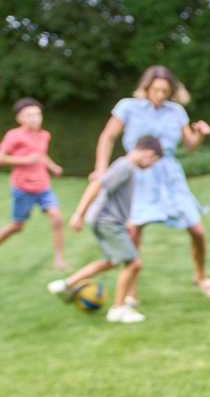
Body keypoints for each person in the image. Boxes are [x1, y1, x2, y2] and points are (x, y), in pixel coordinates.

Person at [93, 65, 210, 300]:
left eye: (165, 91)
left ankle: (201, 277)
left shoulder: (177, 111)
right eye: (156, 90)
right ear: (146, 88)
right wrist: (101, 167)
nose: (160, 95)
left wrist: (200, 133)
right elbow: (107, 136)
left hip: (170, 175)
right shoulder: (127, 107)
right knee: (133, 233)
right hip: (138, 176)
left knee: (197, 230)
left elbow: (190, 146)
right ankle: (129, 294)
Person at [49, 136, 163, 323]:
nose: (151, 165)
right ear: (149, 153)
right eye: (153, 161)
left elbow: (113, 197)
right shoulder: (124, 166)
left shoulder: (127, 167)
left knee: (111, 262)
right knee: (134, 263)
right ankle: (118, 309)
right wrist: (79, 214)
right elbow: (98, 184)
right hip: (106, 220)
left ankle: (65, 284)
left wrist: (125, 222)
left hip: (110, 220)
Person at [0, 97, 68, 270]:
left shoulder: (44, 135)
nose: (34, 118)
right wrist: (25, 159)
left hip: (44, 187)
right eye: (29, 115)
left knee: (57, 219)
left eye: (37, 114)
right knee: (17, 226)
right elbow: (1, 157)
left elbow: (41, 154)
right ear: (20, 118)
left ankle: (59, 262)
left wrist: (52, 166)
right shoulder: (14, 136)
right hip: (23, 188)